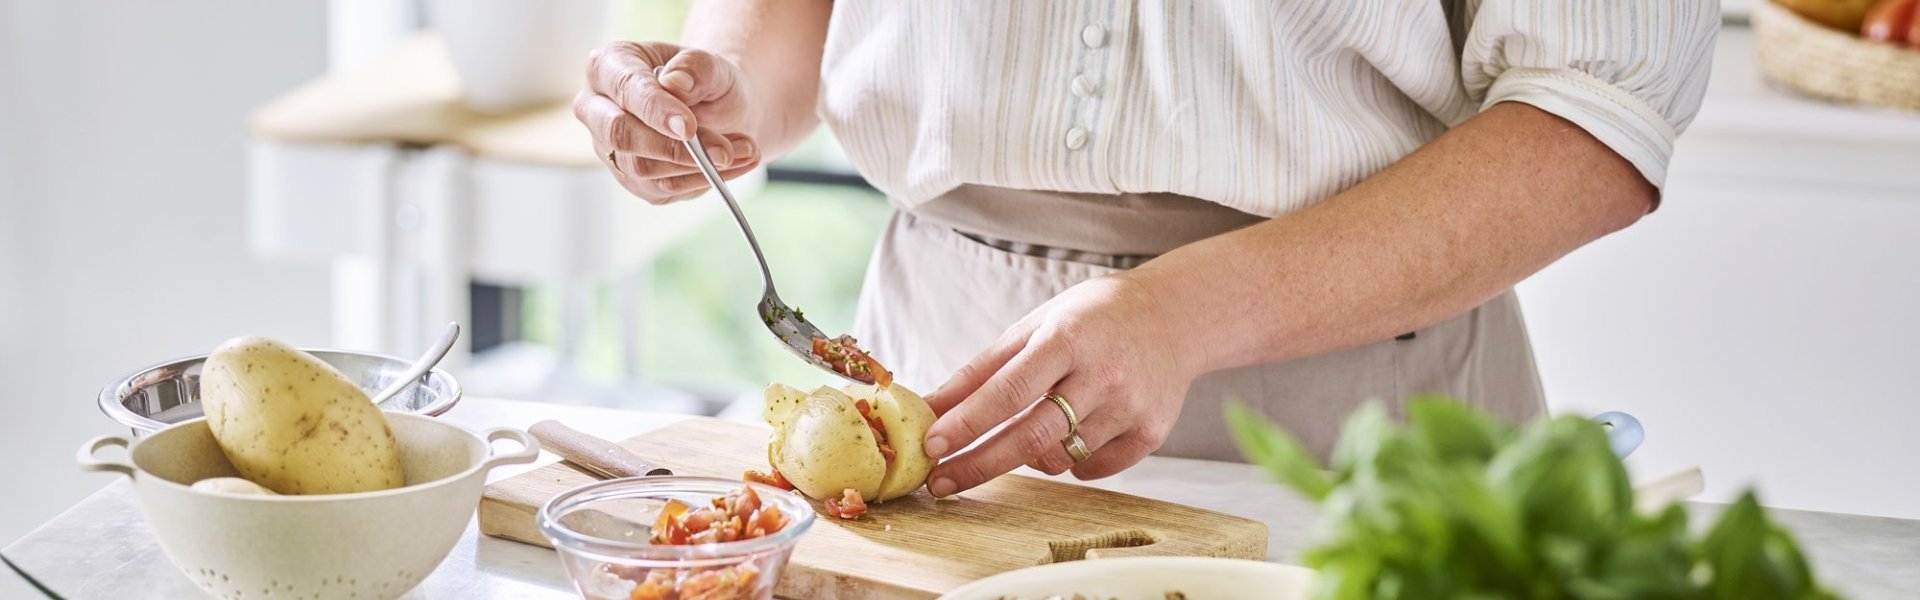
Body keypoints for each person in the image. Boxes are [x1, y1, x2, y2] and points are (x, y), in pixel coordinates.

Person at [574, 1, 1719, 498]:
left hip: (1361, 418)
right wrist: (721, 93)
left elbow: (1595, 117)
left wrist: (1185, 314)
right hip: (942, 374)